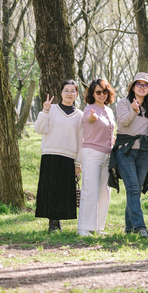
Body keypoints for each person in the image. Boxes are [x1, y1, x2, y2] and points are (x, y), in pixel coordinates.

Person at [34, 80, 83, 232]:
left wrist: (78, 163)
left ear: (76, 94)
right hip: (49, 154)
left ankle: (57, 222)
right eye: (66, 90)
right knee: (50, 189)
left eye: (73, 91)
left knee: (63, 190)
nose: (69, 94)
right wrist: (45, 111)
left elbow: (80, 140)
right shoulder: (51, 109)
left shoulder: (79, 115)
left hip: (68, 156)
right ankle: (52, 223)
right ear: (61, 92)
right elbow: (39, 129)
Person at [112, 72, 148, 237]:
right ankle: (140, 226)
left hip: (143, 151)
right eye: (139, 84)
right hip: (125, 150)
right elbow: (123, 123)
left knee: (135, 189)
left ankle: (129, 227)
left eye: (145, 85)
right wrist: (133, 110)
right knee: (133, 188)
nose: (142, 87)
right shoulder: (124, 103)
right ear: (133, 87)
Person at [78, 79, 116, 236]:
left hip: (107, 155)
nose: (102, 95)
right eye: (98, 92)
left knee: (104, 192)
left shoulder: (109, 111)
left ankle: (99, 227)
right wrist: (91, 119)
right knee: (90, 191)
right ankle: (83, 228)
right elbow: (88, 118)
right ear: (92, 94)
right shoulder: (89, 109)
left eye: (104, 92)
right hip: (91, 154)